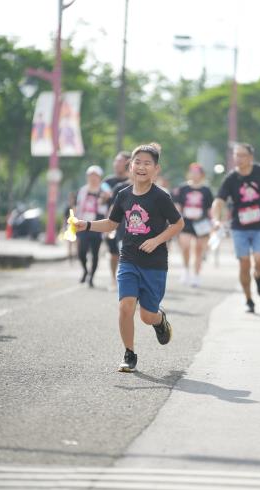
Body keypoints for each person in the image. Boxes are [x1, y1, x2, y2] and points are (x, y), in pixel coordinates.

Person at [74, 143, 184, 372]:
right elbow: (112, 223)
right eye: (138, 162)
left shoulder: (160, 197)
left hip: (154, 264)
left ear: (156, 169)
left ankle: (159, 319)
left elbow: (178, 223)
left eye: (147, 163)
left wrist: (156, 240)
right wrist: (85, 225)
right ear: (130, 166)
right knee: (125, 307)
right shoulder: (123, 195)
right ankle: (129, 353)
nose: (142, 167)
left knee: (146, 316)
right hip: (128, 259)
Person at [212, 143, 260, 313]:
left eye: (242, 155)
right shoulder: (231, 178)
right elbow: (219, 201)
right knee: (244, 264)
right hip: (239, 227)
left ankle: (258, 275)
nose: (238, 158)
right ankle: (248, 299)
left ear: (250, 157)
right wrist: (216, 219)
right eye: (236, 155)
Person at [173, 163, 214, 287]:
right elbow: (178, 205)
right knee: (185, 245)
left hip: (201, 222)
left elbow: (210, 208)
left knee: (199, 249)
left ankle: (196, 275)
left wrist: (213, 223)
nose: (195, 175)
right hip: (186, 221)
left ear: (202, 175)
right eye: (192, 172)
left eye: (197, 173)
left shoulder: (206, 190)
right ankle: (186, 269)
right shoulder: (183, 188)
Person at [102, 151, 132, 290]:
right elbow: (102, 201)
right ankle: (114, 279)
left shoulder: (139, 182)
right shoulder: (109, 182)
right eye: (115, 161)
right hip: (114, 222)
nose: (116, 164)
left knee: (126, 255)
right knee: (114, 254)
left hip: (131, 225)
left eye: (119, 161)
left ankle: (127, 282)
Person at [75, 165, 107, 288]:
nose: (93, 178)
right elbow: (78, 207)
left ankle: (91, 277)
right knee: (81, 252)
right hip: (82, 224)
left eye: (95, 176)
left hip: (97, 226)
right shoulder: (82, 190)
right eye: (90, 176)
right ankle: (85, 270)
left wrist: (102, 200)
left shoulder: (103, 192)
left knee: (95, 253)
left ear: (99, 178)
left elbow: (106, 210)